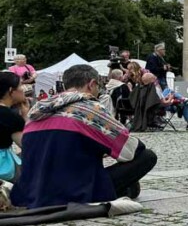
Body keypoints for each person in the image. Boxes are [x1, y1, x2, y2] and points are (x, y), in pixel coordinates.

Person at [11, 64, 157, 208]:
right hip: (74, 190)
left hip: (31, 191)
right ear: (92, 84)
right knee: (147, 156)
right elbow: (131, 150)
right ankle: (120, 189)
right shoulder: (89, 109)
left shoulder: (37, 110)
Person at [0, 70, 28, 185]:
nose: (24, 89)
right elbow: (27, 144)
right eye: (21, 85)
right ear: (11, 91)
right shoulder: (11, 117)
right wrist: (26, 116)